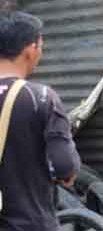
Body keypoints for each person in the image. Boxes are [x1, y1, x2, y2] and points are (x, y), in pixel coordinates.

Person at [0, 12, 80, 231]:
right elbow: (65, 166)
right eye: (41, 47)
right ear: (30, 49)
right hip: (29, 223)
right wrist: (67, 174)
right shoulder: (41, 98)